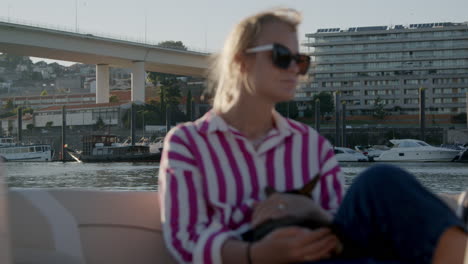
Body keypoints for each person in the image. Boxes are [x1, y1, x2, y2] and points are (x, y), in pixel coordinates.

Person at [158, 8, 467, 264]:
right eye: (281, 56)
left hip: (325, 252)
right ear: (241, 60)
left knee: (380, 180)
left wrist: (312, 210)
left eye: (301, 60)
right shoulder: (189, 142)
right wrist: (258, 254)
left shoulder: (311, 145)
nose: (294, 68)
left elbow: (339, 224)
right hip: (250, 251)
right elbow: (186, 237)